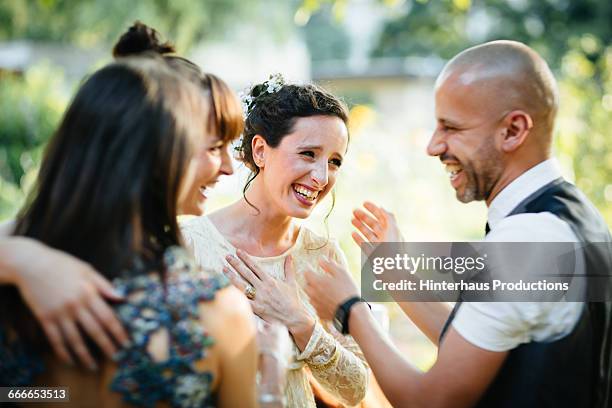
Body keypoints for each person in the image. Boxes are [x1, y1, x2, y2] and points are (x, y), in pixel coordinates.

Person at [303, 40, 612, 408]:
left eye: (451, 128)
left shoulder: (525, 241)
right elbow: (479, 339)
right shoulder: (572, 216)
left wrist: (349, 309)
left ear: (513, 130)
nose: (434, 146)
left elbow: (431, 400)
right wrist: (396, 273)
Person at [0, 54, 260, 407]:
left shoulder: (14, 276)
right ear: (165, 160)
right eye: (212, 147)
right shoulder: (217, 312)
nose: (228, 167)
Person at [180, 74, 369, 407]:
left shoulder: (322, 254)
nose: (322, 177)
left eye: (335, 161)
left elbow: (355, 390)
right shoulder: (190, 245)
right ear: (261, 151)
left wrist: (299, 320)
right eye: (309, 154)